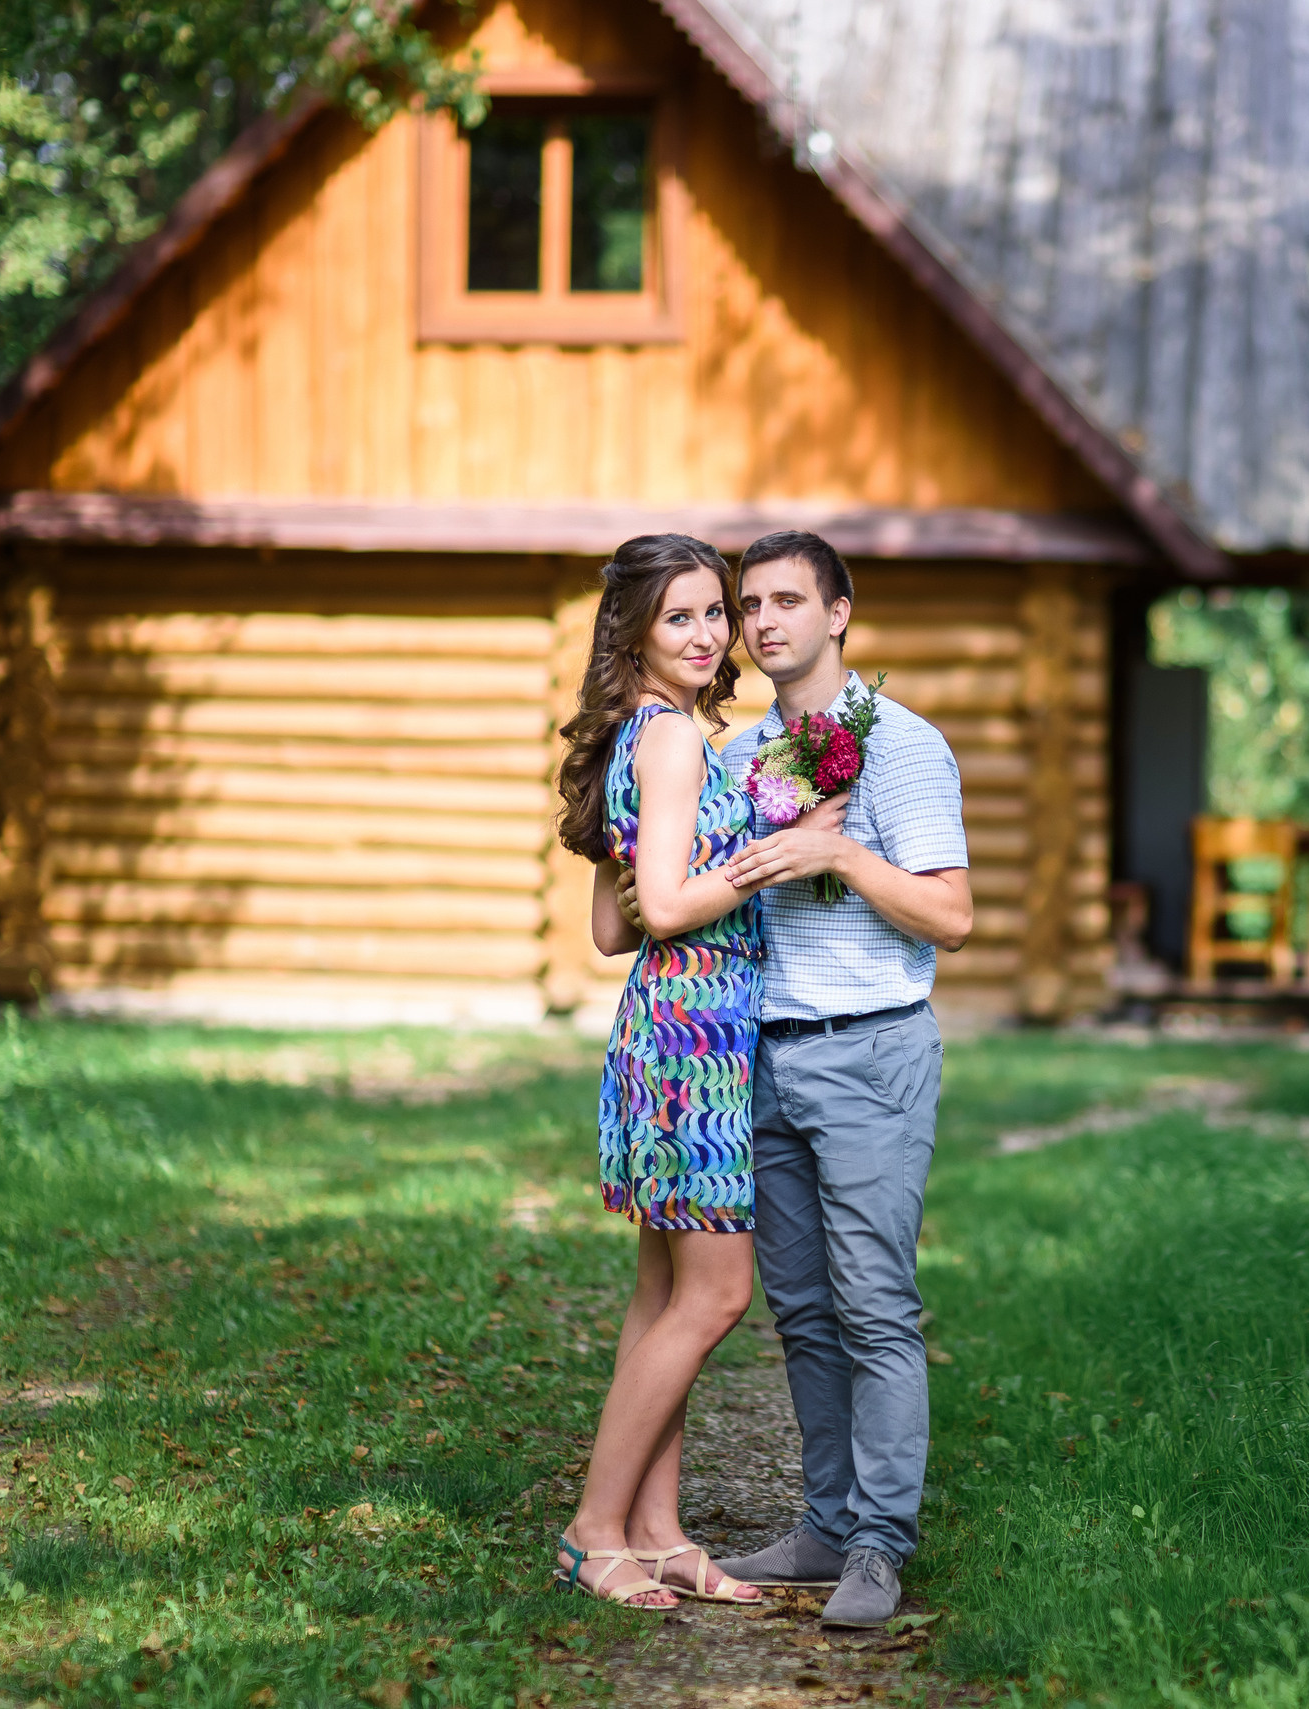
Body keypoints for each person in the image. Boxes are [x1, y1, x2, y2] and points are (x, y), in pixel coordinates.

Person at [629, 530, 971, 1629]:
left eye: (788, 600)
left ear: (839, 614)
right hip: (758, 1058)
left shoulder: (903, 748)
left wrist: (844, 857)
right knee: (805, 1310)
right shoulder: (739, 756)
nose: (763, 620)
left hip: (871, 1048)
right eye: (749, 603)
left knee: (875, 1303)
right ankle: (825, 1521)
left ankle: (879, 1541)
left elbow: (951, 916)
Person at [548, 534, 779, 1610]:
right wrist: (767, 856)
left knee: (664, 1292)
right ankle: (595, 1529)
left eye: (713, 614)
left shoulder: (638, 733)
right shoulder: (676, 741)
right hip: (695, 1037)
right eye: (680, 615)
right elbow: (673, 905)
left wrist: (678, 884)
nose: (706, 634)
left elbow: (610, 923)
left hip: (669, 1025)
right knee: (721, 1291)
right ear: (636, 626)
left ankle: (657, 1527)